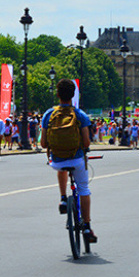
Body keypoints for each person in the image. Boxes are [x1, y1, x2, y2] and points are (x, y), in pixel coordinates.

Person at [41, 79, 97, 243]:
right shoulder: (80, 115)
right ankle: (86, 226)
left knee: (60, 166)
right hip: (77, 159)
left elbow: (43, 143)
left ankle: (63, 198)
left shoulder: (48, 115)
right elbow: (86, 143)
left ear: (58, 94)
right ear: (73, 95)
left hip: (57, 160)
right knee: (84, 189)